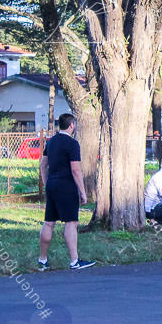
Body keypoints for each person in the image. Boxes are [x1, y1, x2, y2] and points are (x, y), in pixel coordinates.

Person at [37, 114, 95, 270]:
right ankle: (74, 261)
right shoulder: (72, 143)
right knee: (71, 222)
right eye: (74, 125)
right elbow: (75, 170)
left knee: (49, 222)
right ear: (71, 126)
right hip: (66, 187)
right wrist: (82, 192)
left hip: (52, 186)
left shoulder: (51, 142)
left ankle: (42, 260)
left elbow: (43, 165)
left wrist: (47, 181)